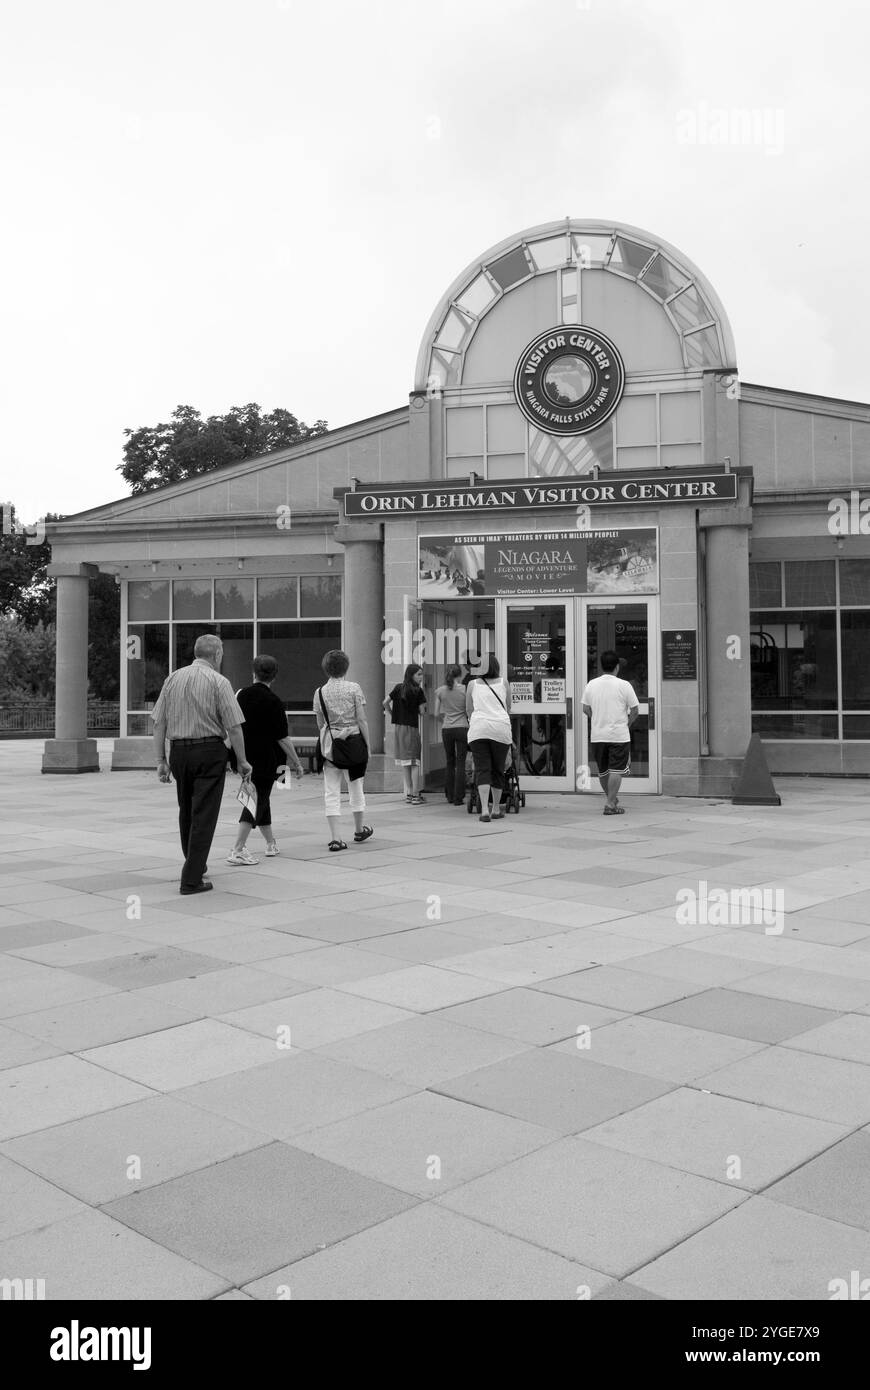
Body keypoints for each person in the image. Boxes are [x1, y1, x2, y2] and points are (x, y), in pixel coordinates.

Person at [151, 633, 252, 895]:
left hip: (180, 753)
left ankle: (194, 862)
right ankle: (191, 879)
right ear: (217, 655)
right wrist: (241, 760)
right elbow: (234, 726)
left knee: (187, 810)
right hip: (209, 751)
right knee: (204, 814)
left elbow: (159, 722)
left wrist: (161, 760)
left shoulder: (172, 678)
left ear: (196, 653)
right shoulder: (219, 681)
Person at [226, 655, 304, 866]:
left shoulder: (240, 694)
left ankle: (271, 843)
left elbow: (232, 726)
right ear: (274, 676)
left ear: (254, 673)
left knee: (261, 799)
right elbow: (282, 738)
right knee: (254, 802)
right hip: (267, 760)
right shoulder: (274, 701)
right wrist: (296, 763)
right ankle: (238, 849)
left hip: (244, 758)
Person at [314, 649, 373, 851]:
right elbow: (362, 719)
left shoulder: (319, 692)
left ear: (326, 669)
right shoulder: (354, 688)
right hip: (354, 742)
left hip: (331, 747)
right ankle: (358, 829)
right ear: (346, 667)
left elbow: (321, 722)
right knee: (356, 787)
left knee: (331, 790)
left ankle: (336, 837)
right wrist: (368, 745)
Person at [581, 649, 639, 815]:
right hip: (618, 735)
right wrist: (626, 725)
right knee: (616, 770)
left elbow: (585, 708)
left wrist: (597, 718)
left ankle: (611, 800)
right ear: (617, 667)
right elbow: (635, 710)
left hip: (598, 735)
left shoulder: (591, 684)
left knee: (603, 771)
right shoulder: (624, 685)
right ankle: (610, 804)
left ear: (601, 666)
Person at [466, 653, 513, 822]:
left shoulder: (472, 684)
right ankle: (495, 809)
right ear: (496, 667)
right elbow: (509, 707)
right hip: (500, 729)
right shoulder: (504, 682)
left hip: (478, 730)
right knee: (498, 769)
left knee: (482, 769)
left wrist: (477, 721)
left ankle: (484, 810)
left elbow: (469, 709)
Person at [383, 663, 427, 804]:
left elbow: (384, 702)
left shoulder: (398, 688)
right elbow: (422, 712)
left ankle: (409, 793)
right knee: (414, 762)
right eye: (419, 674)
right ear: (411, 675)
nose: (421, 677)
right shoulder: (417, 691)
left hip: (399, 729)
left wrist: (392, 714)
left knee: (405, 763)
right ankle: (415, 795)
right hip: (411, 729)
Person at [434, 663, 469, 805]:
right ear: (459, 675)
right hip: (462, 727)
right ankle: (458, 796)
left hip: (447, 728)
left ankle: (449, 794)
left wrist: (445, 721)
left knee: (449, 762)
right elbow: (469, 709)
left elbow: (436, 713)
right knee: (461, 762)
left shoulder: (440, 691)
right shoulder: (464, 690)